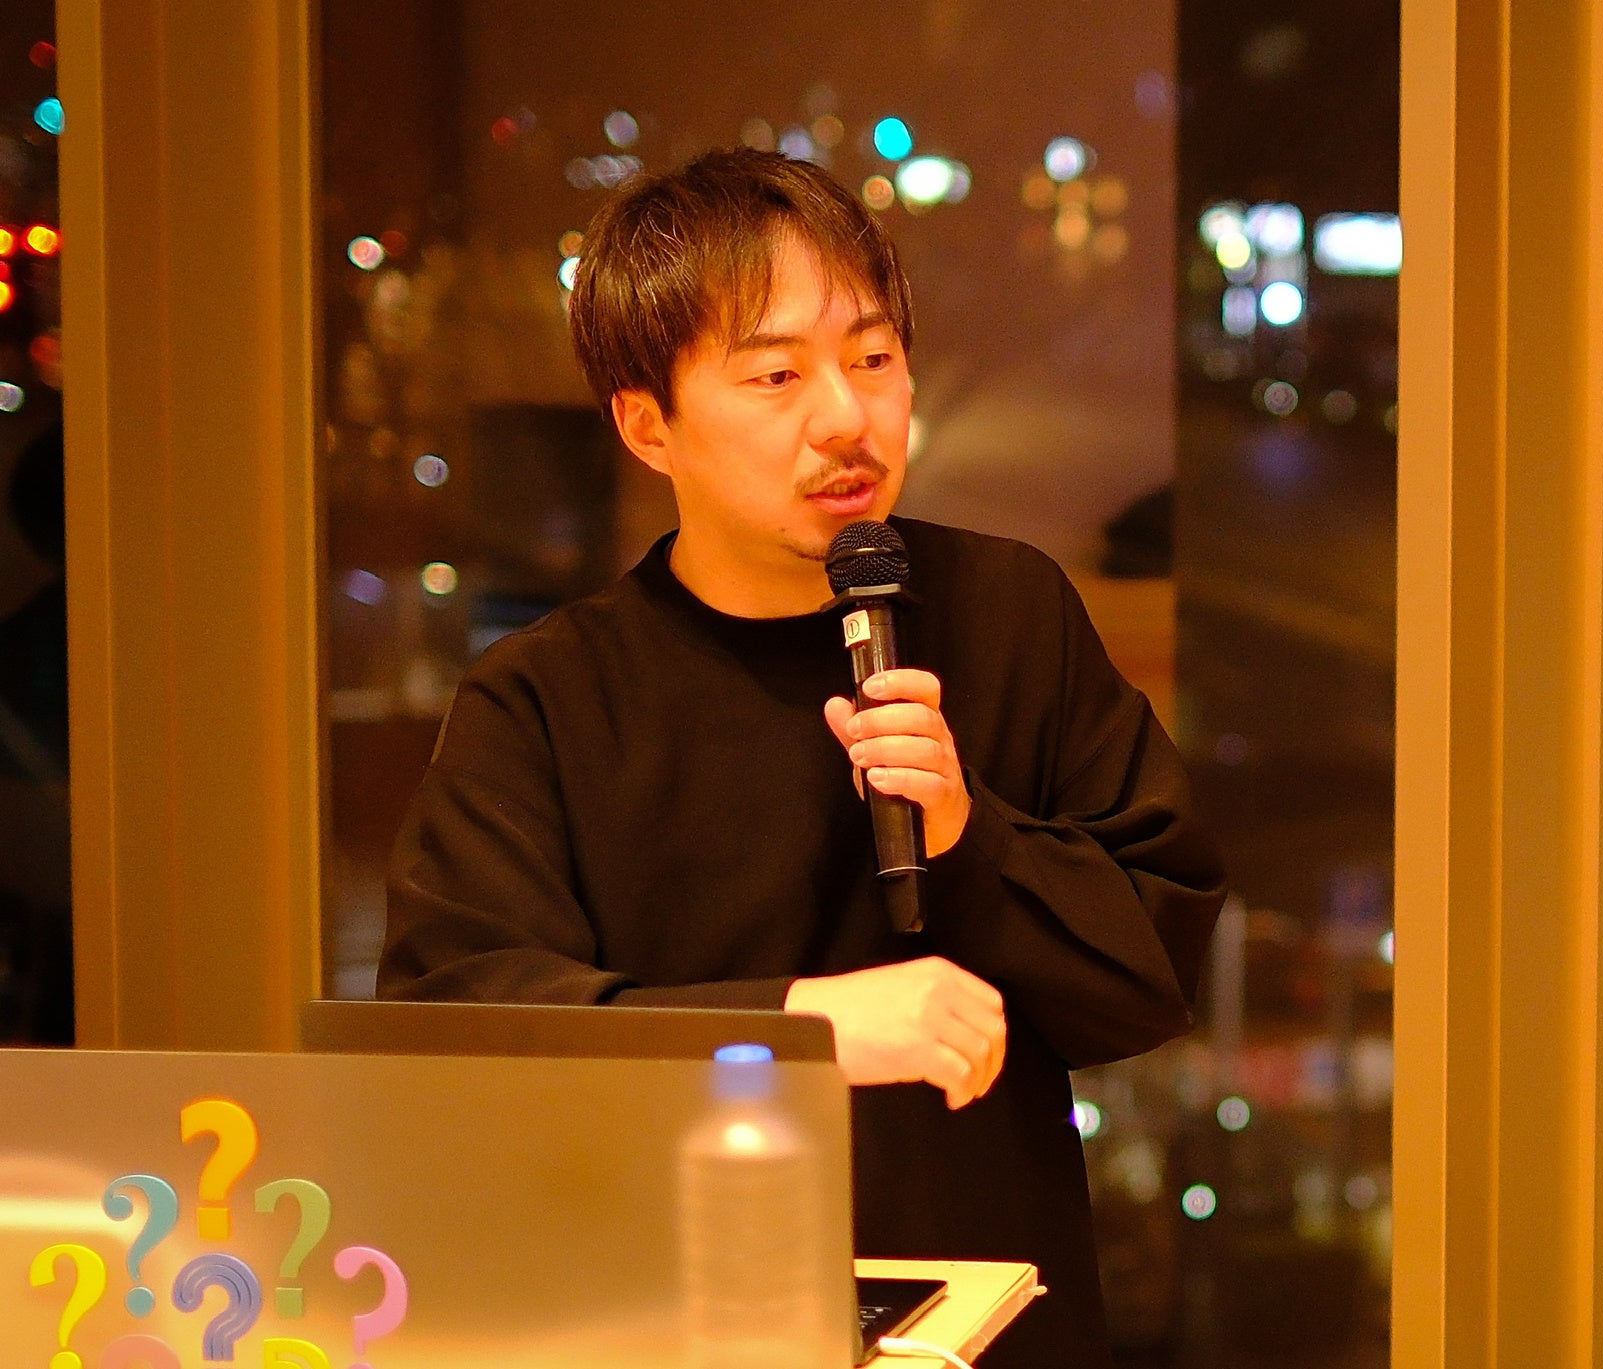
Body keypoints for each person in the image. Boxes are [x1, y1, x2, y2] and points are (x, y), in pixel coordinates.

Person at [379, 148, 1225, 1366]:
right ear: (647, 424)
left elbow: (1150, 972)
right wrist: (796, 1031)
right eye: (776, 375)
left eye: (872, 359)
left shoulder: (1008, 613)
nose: (845, 417)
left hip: (991, 1328)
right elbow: (460, 1031)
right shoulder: (546, 700)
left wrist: (969, 836)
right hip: (665, 1330)